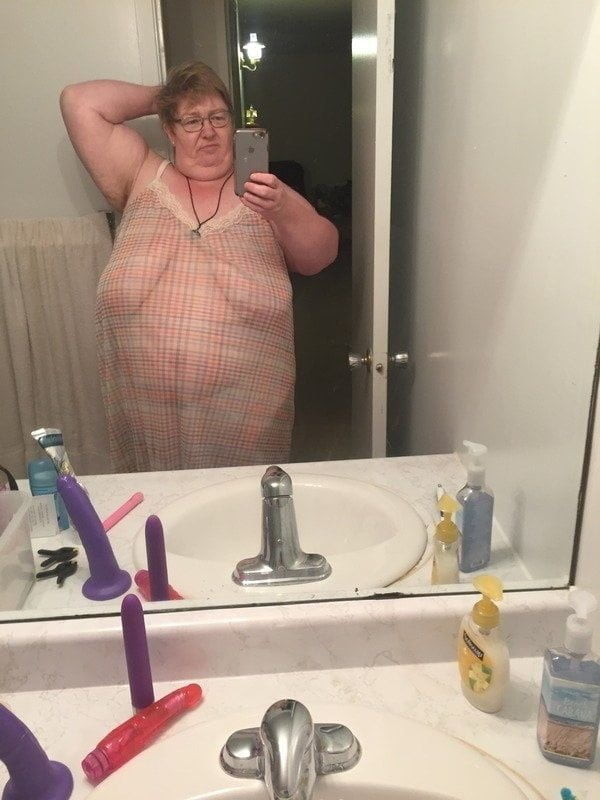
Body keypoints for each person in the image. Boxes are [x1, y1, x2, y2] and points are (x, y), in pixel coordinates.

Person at [60, 61, 338, 472]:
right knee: (158, 512)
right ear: (169, 130)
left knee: (236, 512)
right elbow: (79, 101)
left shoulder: (264, 193)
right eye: (191, 120)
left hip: (246, 428)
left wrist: (281, 208)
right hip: (145, 427)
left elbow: (322, 255)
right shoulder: (140, 174)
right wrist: (170, 93)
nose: (208, 131)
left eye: (218, 117)